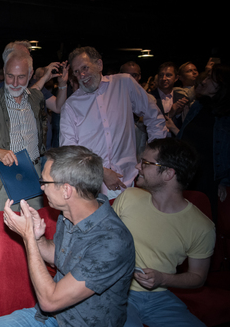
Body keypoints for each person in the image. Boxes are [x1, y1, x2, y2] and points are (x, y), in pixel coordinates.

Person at [0, 145, 135, 327]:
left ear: (66, 190)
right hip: (53, 321)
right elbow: (58, 257)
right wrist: (37, 238)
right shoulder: (70, 215)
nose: (41, 187)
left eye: (45, 182)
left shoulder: (112, 241)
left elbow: (50, 300)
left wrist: (27, 239)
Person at [113, 138, 230, 327]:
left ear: (168, 174)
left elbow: (197, 277)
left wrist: (163, 279)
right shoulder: (129, 198)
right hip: (120, 291)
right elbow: (102, 240)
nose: (137, 166)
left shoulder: (202, 226)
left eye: (145, 162)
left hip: (160, 298)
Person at [60, 46, 168, 199]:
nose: (82, 75)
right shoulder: (71, 105)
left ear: (99, 64)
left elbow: (153, 115)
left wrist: (154, 157)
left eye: (85, 68)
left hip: (130, 181)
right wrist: (101, 171)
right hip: (92, 188)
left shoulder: (124, 84)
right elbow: (69, 151)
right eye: (76, 72)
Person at [0, 50, 62, 212]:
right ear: (4, 72)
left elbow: (42, 130)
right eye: (10, 76)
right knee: (0, 232)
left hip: (33, 175)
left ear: (30, 74)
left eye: (21, 77)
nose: (15, 82)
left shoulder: (36, 98)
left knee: (34, 229)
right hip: (1, 179)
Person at [178, 63, 230, 221]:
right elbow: (183, 137)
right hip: (186, 174)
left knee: (204, 223)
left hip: (209, 179)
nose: (203, 80)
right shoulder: (198, 106)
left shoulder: (226, 115)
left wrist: (225, 181)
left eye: (209, 78)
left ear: (220, 85)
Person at [148, 62, 190, 132]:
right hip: (155, 140)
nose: (164, 78)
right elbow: (148, 122)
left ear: (176, 78)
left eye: (168, 75)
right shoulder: (149, 97)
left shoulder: (182, 98)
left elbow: (186, 126)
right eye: (161, 75)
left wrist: (178, 114)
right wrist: (170, 113)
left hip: (175, 141)